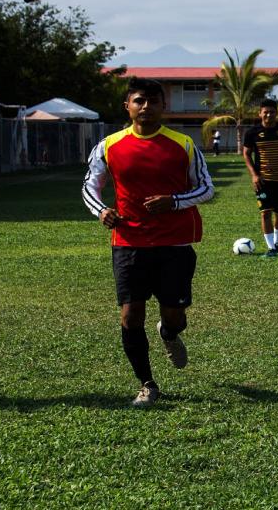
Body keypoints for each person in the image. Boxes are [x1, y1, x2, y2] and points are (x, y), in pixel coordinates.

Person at [82, 77, 214, 407]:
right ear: (127, 106)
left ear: (163, 106)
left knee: (175, 315)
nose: (146, 107)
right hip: (129, 242)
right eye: (139, 100)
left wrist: (175, 201)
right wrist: (101, 211)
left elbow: (207, 189)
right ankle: (147, 384)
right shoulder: (108, 145)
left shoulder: (183, 144)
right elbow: (89, 187)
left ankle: (168, 333)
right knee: (130, 316)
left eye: (153, 101)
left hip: (175, 244)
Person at [242, 100, 278, 258]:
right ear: (260, 113)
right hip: (262, 181)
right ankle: (271, 249)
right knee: (265, 213)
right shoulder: (252, 133)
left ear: (276, 113)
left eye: (272, 112)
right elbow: (246, 154)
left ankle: (276, 243)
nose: (269, 114)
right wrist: (254, 175)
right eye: (266, 111)